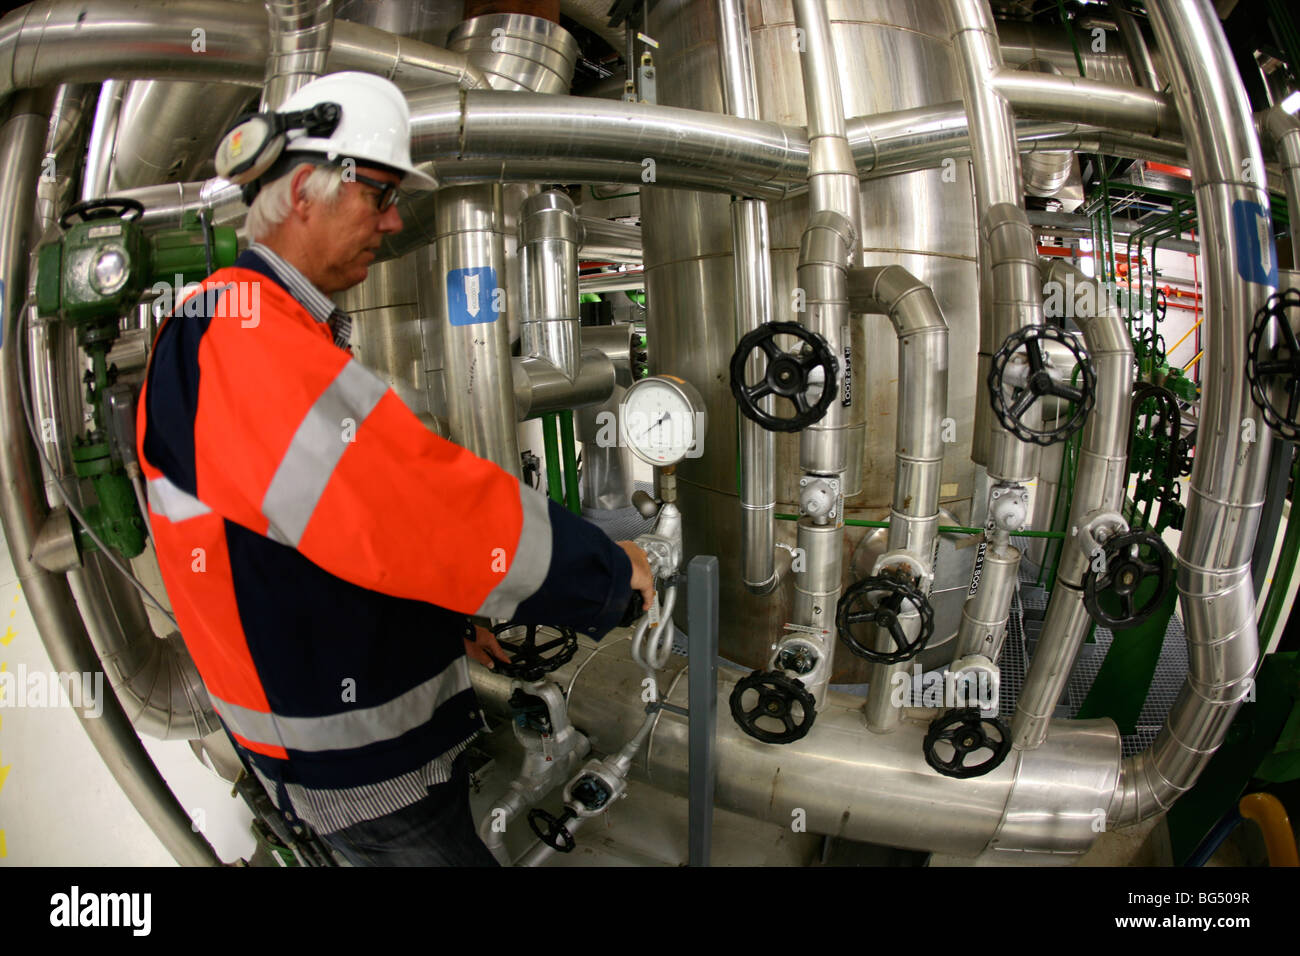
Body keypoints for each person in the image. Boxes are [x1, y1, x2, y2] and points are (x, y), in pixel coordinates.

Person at [136, 72, 654, 866]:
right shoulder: (235, 335)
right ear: (305, 189)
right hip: (353, 769)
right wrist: (607, 577)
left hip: (358, 740)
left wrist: (445, 618)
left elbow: (330, 536)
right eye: (378, 192)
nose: (392, 218)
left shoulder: (269, 326)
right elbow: (412, 509)